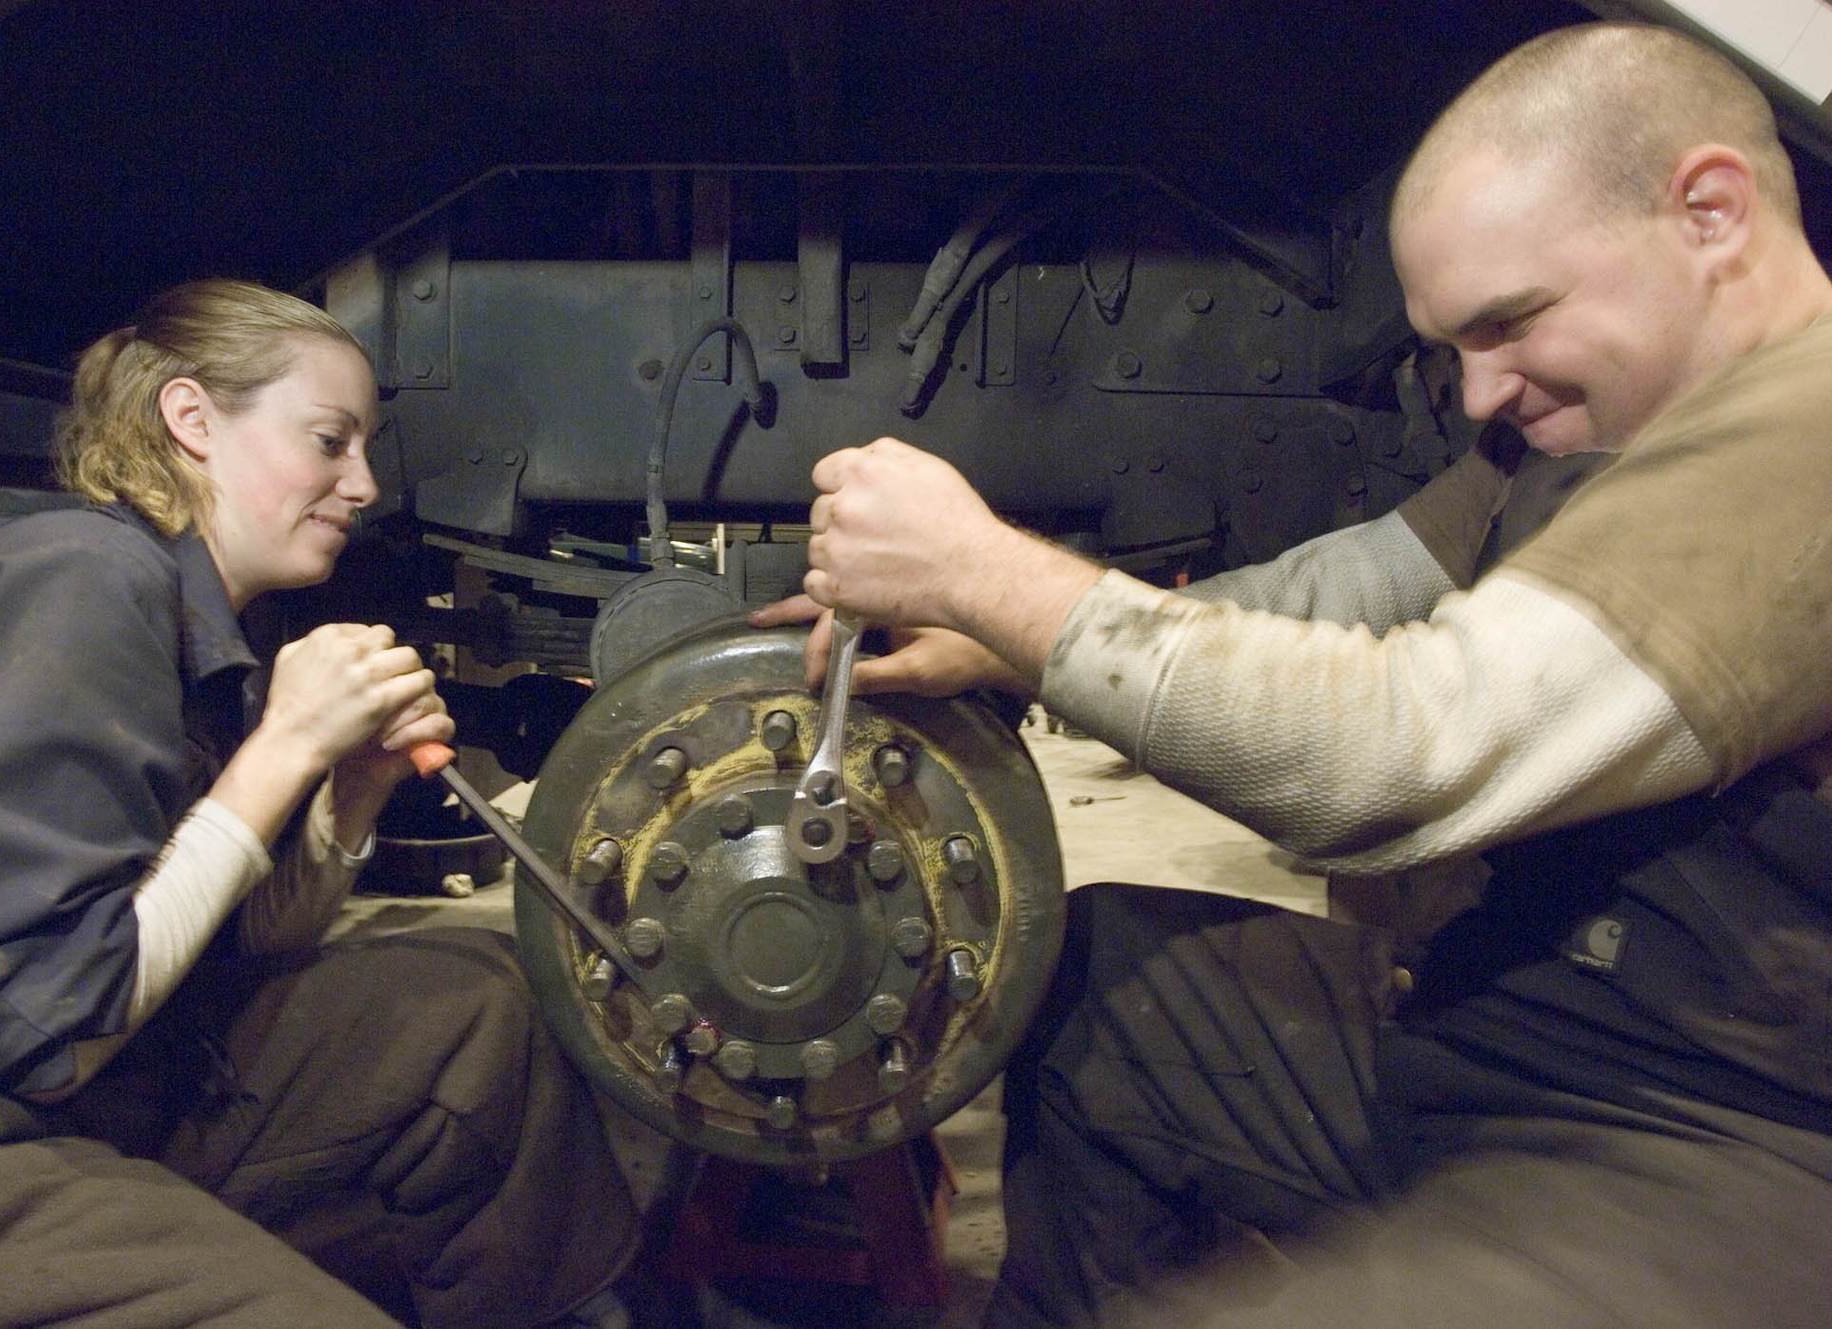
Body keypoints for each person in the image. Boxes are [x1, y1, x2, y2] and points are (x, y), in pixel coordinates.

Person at [752, 21, 1832, 1328]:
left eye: (1511, 321)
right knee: (1103, 980)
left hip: (1711, 1136)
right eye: (1451, 344)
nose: (1478, 390)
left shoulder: (1805, 436)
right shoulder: (1604, 438)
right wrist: (999, 637)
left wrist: (986, 571)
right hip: (1493, 1019)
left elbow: (1403, 754)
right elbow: (1346, 597)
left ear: (1710, 213)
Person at [0, 279, 638, 1327]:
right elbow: (44, 1031)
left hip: (112, 1060)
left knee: (482, 1008)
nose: (360, 485)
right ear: (191, 419)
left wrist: (347, 796)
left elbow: (238, 943)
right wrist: (285, 747)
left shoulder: (201, 620)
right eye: (328, 441)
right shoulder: (84, 575)